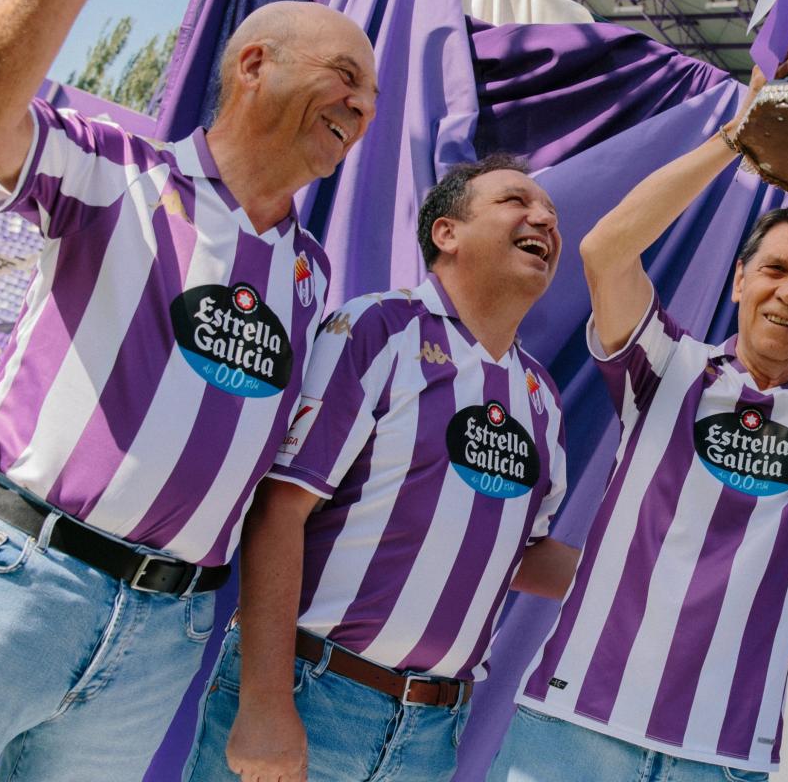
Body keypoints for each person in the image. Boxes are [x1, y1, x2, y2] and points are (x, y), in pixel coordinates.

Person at [0, 0, 378, 779]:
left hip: (163, 635)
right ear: (254, 63)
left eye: (374, 94)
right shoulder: (116, 169)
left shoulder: (310, 280)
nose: (362, 105)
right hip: (7, 580)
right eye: (344, 75)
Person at [488, 52, 788, 781]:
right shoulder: (666, 366)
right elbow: (605, 252)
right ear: (741, 279)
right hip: (574, 725)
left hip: (721, 759)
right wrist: (738, 136)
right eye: (775, 270)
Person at [185, 155, 573, 782]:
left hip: (431, 734)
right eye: (516, 203)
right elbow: (279, 510)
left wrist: (647, 586)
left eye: (552, 217)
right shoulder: (378, 329)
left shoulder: (542, 401)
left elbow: (519, 553)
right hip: (313, 694)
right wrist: (264, 702)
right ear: (446, 233)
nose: (544, 220)